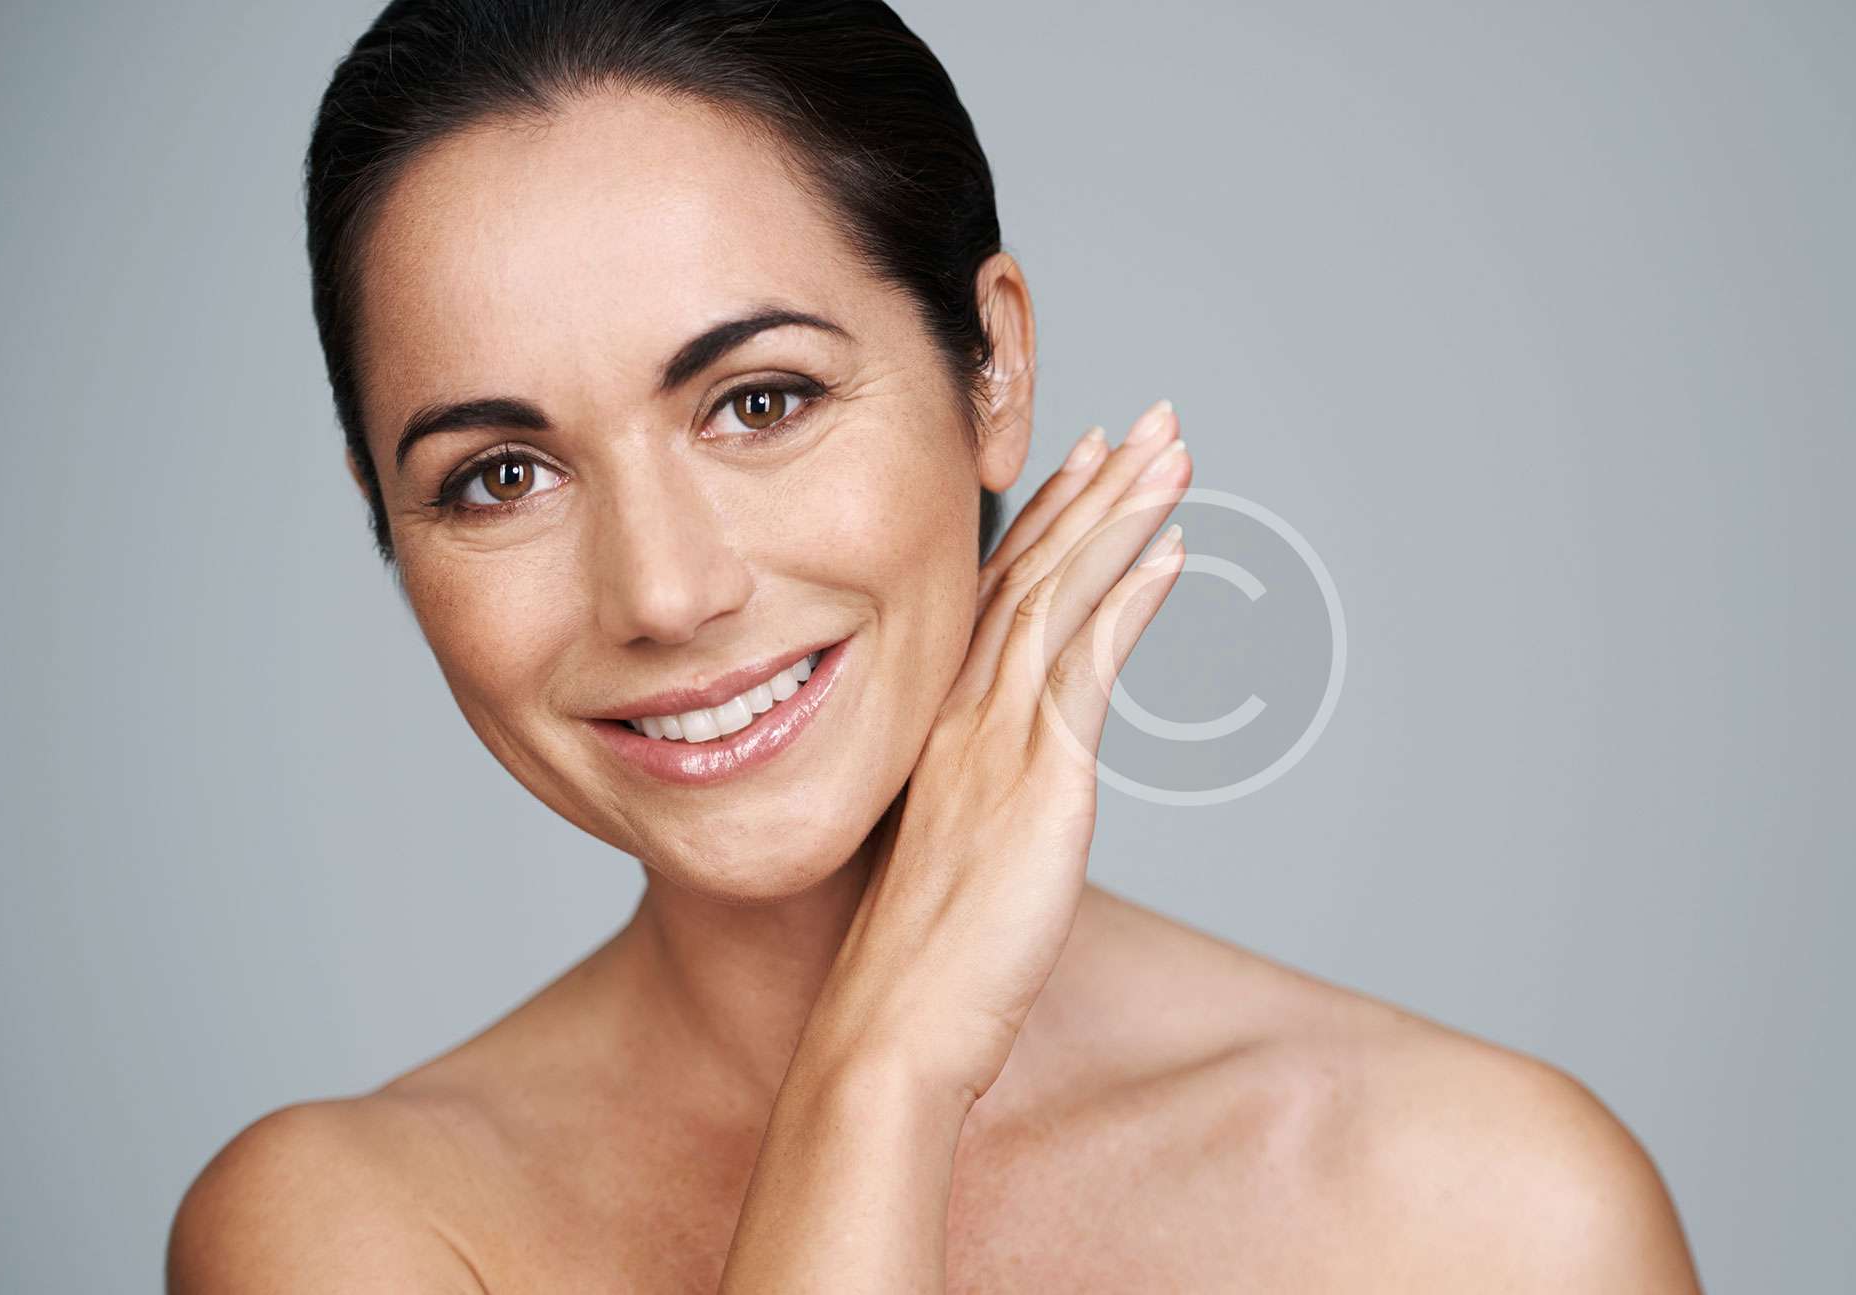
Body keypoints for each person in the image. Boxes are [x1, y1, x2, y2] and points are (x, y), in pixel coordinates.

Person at [167, 1, 1700, 1288]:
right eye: (502, 476)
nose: (665, 591)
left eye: (759, 400)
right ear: (388, 518)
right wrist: (887, 1067)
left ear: (995, 368)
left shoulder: (1491, 1214)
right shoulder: (349, 1231)